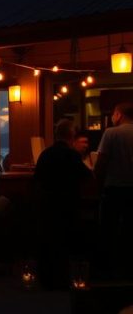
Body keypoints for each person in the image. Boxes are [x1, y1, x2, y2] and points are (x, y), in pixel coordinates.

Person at [34, 119, 93, 289]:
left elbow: (37, 180)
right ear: (72, 135)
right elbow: (86, 177)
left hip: (46, 205)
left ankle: (47, 279)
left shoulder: (45, 154)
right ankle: (63, 279)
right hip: (67, 204)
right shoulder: (72, 155)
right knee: (66, 242)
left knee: (48, 242)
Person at [94, 101, 133, 277]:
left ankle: (108, 270)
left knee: (108, 230)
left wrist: (97, 180)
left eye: (114, 114)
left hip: (114, 188)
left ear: (119, 114)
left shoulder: (111, 133)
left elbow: (101, 161)